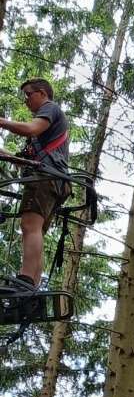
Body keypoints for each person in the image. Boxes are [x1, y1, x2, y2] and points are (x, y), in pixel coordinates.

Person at [0, 78, 70, 291]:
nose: (26, 101)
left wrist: (1, 121)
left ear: (42, 93)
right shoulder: (47, 131)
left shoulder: (50, 109)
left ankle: (26, 280)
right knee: (35, 229)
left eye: (28, 95)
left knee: (29, 226)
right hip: (54, 180)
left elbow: (30, 129)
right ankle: (32, 288)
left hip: (45, 178)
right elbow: (29, 159)